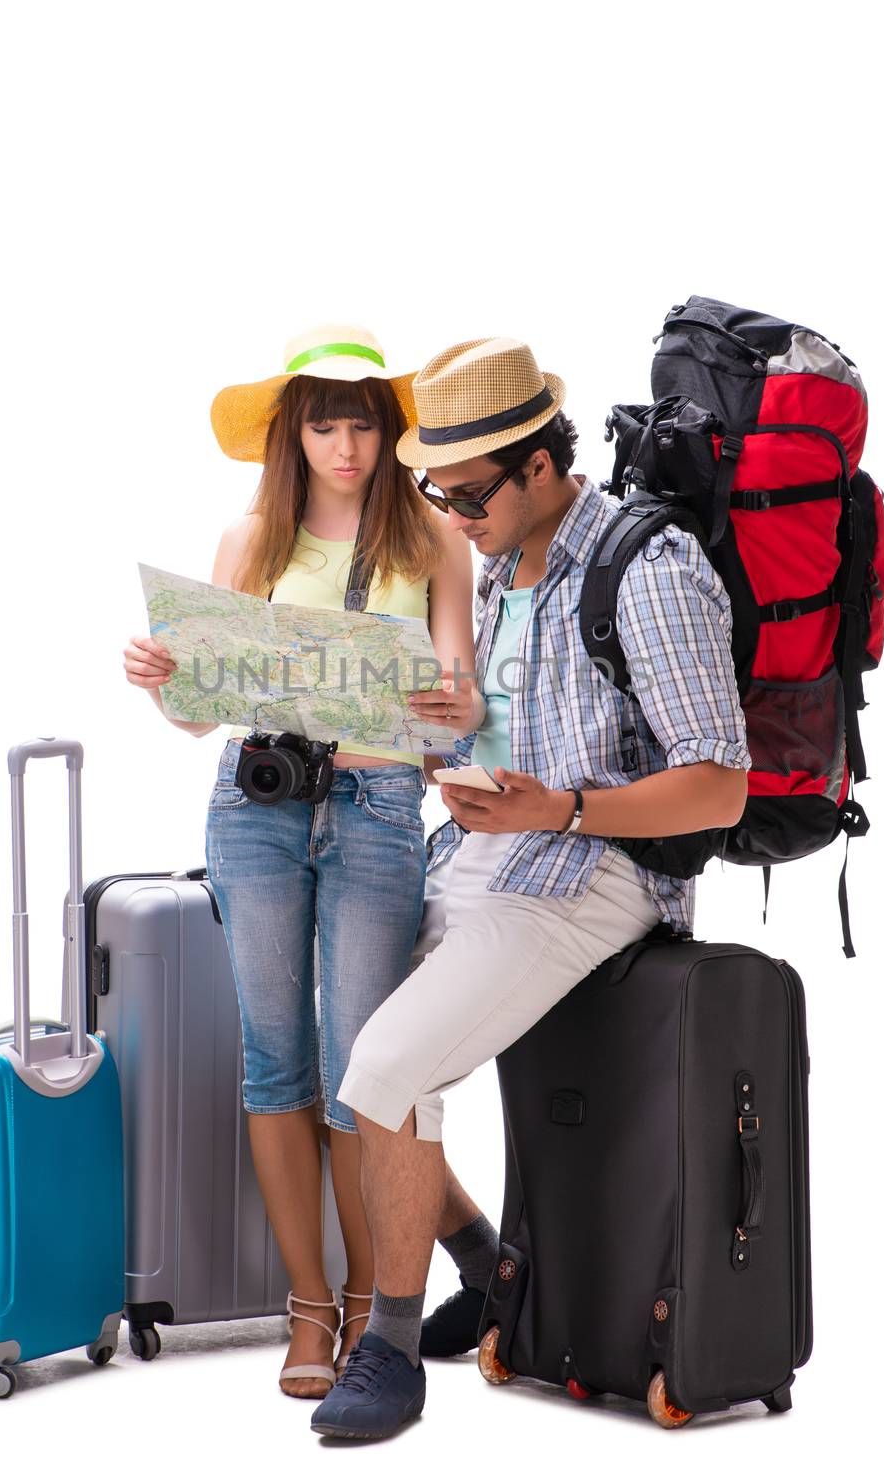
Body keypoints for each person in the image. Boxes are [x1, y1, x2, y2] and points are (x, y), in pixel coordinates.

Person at [310, 336, 751, 1440]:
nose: (452, 516)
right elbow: (504, 733)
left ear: (543, 465)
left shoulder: (649, 570)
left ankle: (391, 1350)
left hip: (592, 873)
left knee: (390, 1062)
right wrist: (423, 745)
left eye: (468, 494)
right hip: (480, 854)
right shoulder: (506, 565)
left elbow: (720, 788)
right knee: (353, 1067)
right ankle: (486, 1263)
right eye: (436, 493)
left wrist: (556, 807)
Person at [122, 324, 480, 1400]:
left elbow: (460, 708)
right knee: (275, 1064)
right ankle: (309, 1308)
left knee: (366, 1071)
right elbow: (204, 714)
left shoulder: (434, 541)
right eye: (323, 422)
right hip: (257, 804)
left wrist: (454, 704)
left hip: (377, 805)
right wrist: (159, 676)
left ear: (387, 431)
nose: (343, 444)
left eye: (360, 422)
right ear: (293, 432)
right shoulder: (251, 541)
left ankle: (377, 1310)